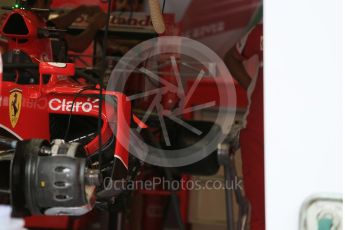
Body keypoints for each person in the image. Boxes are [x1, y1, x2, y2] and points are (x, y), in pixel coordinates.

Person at [224, 22, 264, 230]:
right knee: (260, 208)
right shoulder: (266, 29)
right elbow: (231, 58)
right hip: (259, 129)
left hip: (307, 130)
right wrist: (252, 89)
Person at [25, 0, 107, 53]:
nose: (50, 9)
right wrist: (95, 24)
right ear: (40, 2)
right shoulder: (34, 24)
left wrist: (81, 10)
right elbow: (77, 44)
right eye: (49, 4)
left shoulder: (28, 18)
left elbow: (54, 24)